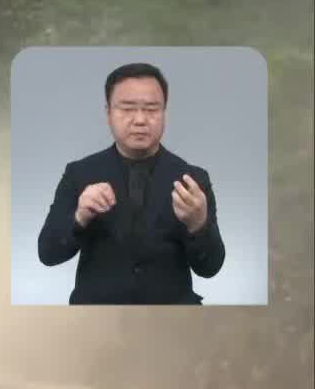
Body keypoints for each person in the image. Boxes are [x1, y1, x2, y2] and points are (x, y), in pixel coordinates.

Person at [36, 61, 226, 304]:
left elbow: (210, 268)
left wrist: (199, 225)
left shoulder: (192, 180)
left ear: (164, 112)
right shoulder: (79, 173)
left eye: (151, 109)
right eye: (127, 109)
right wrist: (80, 217)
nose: (139, 120)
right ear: (108, 113)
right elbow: (48, 254)